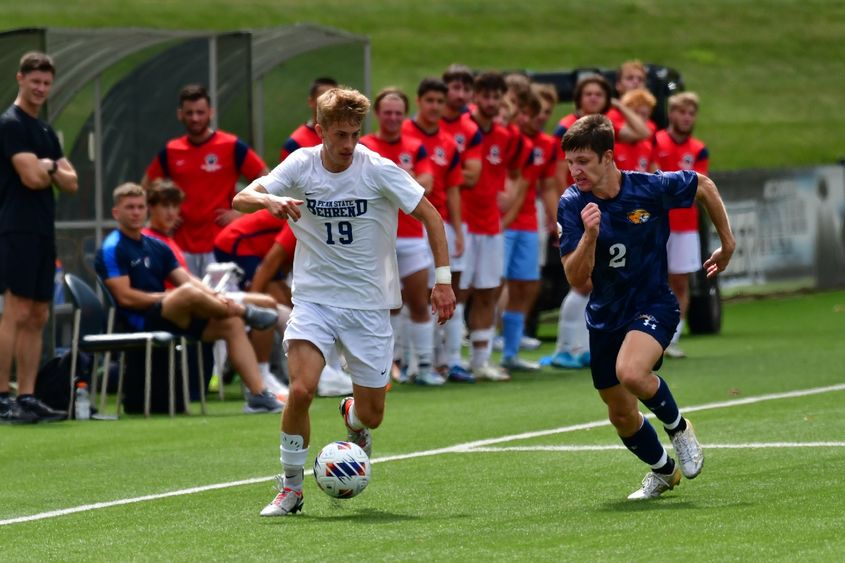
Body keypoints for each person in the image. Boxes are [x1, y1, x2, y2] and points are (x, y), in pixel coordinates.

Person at [232, 87, 455, 517]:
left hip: (368, 306)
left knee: (372, 416)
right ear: (319, 131)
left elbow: (431, 215)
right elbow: (240, 198)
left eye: (355, 134)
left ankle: (352, 414)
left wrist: (441, 281)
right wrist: (270, 200)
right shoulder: (301, 163)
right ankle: (291, 489)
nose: (348, 144)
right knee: (300, 389)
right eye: (339, 135)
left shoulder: (376, 168)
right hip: (315, 300)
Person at [558, 114, 735, 499]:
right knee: (620, 413)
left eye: (583, 161)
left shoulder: (647, 187)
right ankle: (663, 471)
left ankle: (680, 428)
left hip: (653, 301)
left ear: (608, 157)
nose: (575, 171)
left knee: (632, 372)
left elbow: (703, 185)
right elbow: (575, 277)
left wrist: (727, 242)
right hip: (606, 314)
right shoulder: (572, 204)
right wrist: (590, 235)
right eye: (570, 162)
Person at [95, 183, 284, 414]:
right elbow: (125, 298)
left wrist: (214, 295)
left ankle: (258, 397)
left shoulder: (156, 245)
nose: (136, 212)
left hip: (172, 315)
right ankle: (247, 313)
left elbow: (187, 279)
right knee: (187, 293)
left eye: (140, 207)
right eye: (129, 207)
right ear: (116, 213)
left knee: (231, 324)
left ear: (146, 210)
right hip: (139, 320)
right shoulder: (112, 247)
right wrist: (172, 295)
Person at [550, 74, 650, 370]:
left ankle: (586, 345)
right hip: (582, 208)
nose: (594, 98)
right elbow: (560, 172)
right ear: (578, 97)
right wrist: (563, 214)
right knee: (582, 282)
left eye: (600, 94)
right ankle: (567, 346)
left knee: (601, 281)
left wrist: (620, 103)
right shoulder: (567, 126)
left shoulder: (605, 127)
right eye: (588, 93)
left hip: (613, 208)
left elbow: (642, 130)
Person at [0, 52, 78, 423]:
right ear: (21, 79)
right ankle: (2, 394)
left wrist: (46, 165)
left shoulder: (46, 131)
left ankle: (27, 395)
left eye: (46, 83)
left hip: (44, 229)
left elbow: (72, 181)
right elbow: (31, 178)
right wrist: (49, 168)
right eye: (35, 82)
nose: (41, 89)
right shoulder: (11, 124)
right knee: (15, 311)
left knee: (39, 314)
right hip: (16, 227)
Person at [141, 84, 269, 277]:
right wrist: (158, 218)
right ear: (180, 114)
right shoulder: (171, 151)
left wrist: (241, 214)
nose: (195, 118)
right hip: (180, 245)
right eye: (189, 113)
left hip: (220, 243)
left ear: (211, 112)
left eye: (200, 112)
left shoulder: (232, 146)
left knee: (220, 303)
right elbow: (144, 189)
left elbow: (268, 181)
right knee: (188, 302)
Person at [360, 87, 440, 385]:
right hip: (378, 238)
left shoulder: (415, 146)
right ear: (377, 114)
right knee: (385, 304)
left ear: (404, 115)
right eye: (387, 112)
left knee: (419, 301)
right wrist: (400, 186)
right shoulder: (366, 146)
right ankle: (391, 366)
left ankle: (425, 365)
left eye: (398, 113)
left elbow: (427, 183)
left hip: (410, 235)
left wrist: (386, 189)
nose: (392, 118)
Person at [463, 71, 531, 381]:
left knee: (489, 292)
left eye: (496, 97)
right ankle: (445, 359)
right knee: (457, 292)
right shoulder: (462, 129)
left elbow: (519, 173)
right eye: (485, 96)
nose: (491, 102)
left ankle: (480, 361)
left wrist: (509, 199)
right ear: (475, 97)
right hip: (462, 222)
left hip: (491, 225)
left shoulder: (508, 136)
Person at [402, 78, 466, 381]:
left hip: (437, 225)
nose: (435, 107)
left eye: (440, 102)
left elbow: (451, 188)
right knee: (410, 297)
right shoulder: (404, 135)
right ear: (418, 101)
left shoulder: (447, 143)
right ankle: (407, 362)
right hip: (407, 227)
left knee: (439, 292)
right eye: (429, 101)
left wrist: (458, 228)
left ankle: (441, 360)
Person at [652, 92, 709, 358]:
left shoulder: (698, 149)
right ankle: (650, 335)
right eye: (681, 112)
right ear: (671, 114)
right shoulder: (656, 141)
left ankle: (672, 337)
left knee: (680, 282)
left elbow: (698, 186)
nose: (686, 117)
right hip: (656, 221)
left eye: (691, 113)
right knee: (653, 279)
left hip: (685, 224)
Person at [279, 77, 338, 162]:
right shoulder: (294, 144)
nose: (330, 103)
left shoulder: (347, 137)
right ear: (311, 102)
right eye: (324, 99)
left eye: (334, 98)